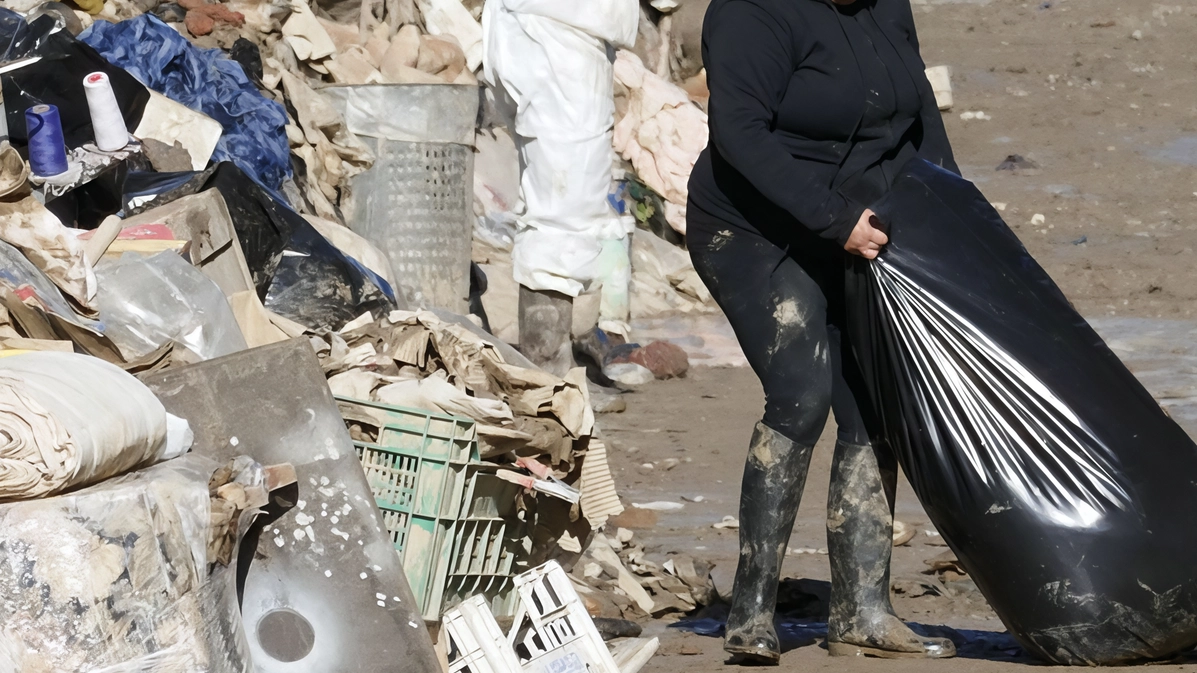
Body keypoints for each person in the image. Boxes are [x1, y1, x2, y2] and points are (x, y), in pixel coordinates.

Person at [686, 0, 960, 664]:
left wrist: (952, 212)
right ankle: (751, 611)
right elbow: (740, 131)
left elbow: (919, 112)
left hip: (859, 226)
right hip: (754, 231)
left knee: (875, 405)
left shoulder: (882, 7)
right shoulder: (750, 12)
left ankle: (862, 612)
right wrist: (834, 220)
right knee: (801, 393)